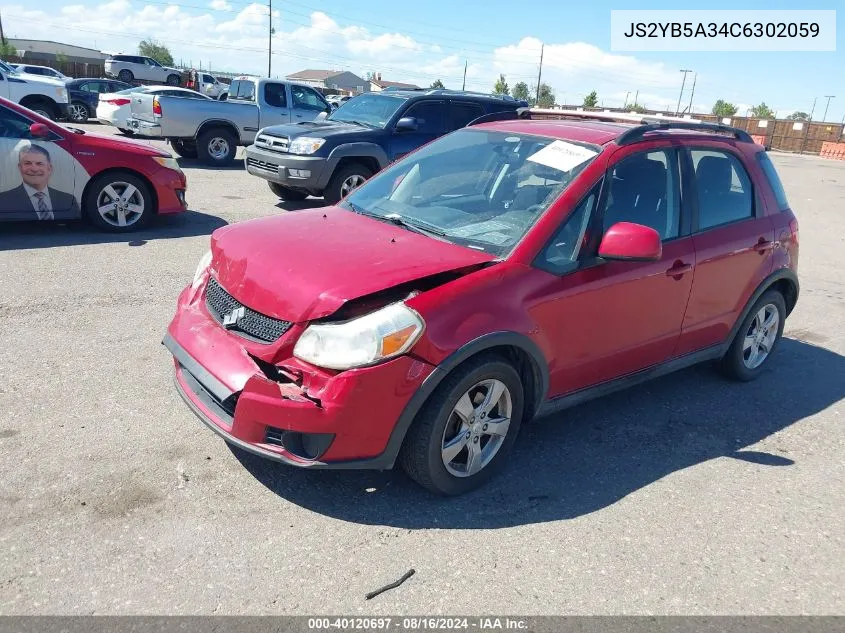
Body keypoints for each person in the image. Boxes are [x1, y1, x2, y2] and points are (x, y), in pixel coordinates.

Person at [0, 143, 79, 220]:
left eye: (39, 164)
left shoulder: (67, 200)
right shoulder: (3, 200)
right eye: (27, 163)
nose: (34, 169)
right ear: (20, 167)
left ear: (49, 169)